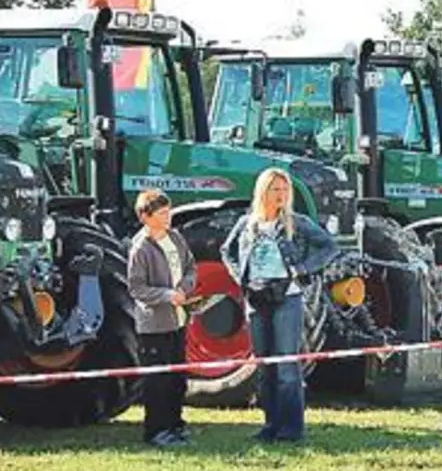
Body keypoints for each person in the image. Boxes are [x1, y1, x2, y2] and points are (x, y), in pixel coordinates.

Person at [222, 167, 340, 443]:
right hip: (256, 297)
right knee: (264, 367)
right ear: (263, 192)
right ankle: (270, 425)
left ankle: (292, 428)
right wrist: (241, 276)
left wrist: (301, 269)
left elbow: (329, 247)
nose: (281, 194)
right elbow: (226, 251)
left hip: (287, 296)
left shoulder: (296, 221)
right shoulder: (246, 224)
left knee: (287, 366)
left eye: (285, 190)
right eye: (276, 189)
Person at [126, 189, 198, 448]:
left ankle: (176, 425)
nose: (168, 217)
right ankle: (156, 430)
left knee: (177, 378)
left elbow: (190, 267)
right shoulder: (140, 248)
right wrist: (167, 295)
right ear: (146, 216)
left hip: (178, 321)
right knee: (158, 381)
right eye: (162, 213)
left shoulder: (176, 239)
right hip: (153, 326)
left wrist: (186, 289)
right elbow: (136, 288)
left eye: (169, 211)